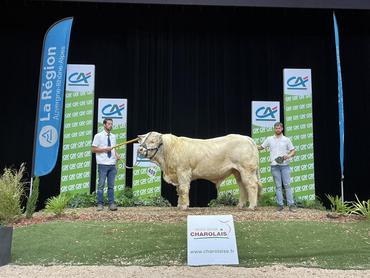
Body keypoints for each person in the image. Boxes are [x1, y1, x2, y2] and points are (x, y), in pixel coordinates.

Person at [257, 122, 297, 212]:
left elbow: (293, 151)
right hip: (274, 166)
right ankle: (280, 205)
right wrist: (251, 145)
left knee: (287, 185)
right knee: (278, 186)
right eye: (276, 128)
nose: (277, 129)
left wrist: (289, 155)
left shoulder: (287, 139)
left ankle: (291, 205)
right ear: (274, 129)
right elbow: (261, 147)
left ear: (282, 129)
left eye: (279, 128)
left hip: (285, 165)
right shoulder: (269, 139)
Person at [91, 118, 121, 211]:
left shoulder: (113, 136)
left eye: (111, 124)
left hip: (112, 164)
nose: (110, 125)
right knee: (101, 185)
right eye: (108, 124)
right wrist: (105, 149)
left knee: (111, 186)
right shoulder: (98, 136)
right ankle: (100, 204)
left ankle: (111, 204)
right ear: (104, 125)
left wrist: (116, 155)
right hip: (102, 164)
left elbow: (113, 149)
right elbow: (93, 149)